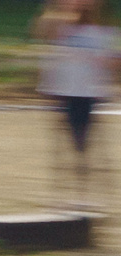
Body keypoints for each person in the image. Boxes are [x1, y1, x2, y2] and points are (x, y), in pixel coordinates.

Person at [35, 0, 118, 207]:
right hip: (68, 94)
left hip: (86, 95)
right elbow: (44, 31)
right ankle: (68, 193)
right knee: (72, 145)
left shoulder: (101, 33)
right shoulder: (64, 31)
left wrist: (105, 76)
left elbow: (112, 60)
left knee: (82, 145)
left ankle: (83, 192)